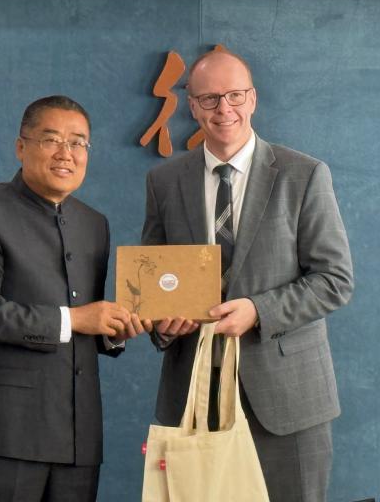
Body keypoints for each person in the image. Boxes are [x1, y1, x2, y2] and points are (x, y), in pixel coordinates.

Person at [141, 50, 354, 502]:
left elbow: (334, 279)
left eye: (235, 96)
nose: (224, 109)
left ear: (253, 99)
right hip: (194, 395)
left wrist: (258, 311)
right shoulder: (164, 181)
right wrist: (164, 324)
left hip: (288, 397)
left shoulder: (303, 174)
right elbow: (156, 280)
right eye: (210, 98)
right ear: (192, 106)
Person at [0, 95, 147, 502]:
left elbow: (86, 316)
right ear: (21, 147)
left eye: (78, 142)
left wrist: (113, 330)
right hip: (7, 430)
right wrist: (76, 319)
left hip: (78, 435)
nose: (65, 153)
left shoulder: (94, 224)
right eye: (51, 139)